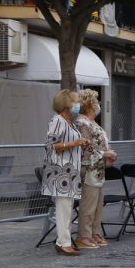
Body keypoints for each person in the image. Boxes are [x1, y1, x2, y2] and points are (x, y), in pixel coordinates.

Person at [41, 90, 88, 256]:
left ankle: (65, 241)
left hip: (69, 171)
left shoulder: (71, 123)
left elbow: (67, 144)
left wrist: (80, 143)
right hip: (61, 172)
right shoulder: (57, 120)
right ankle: (63, 242)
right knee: (63, 208)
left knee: (67, 207)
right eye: (75, 102)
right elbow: (51, 145)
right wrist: (74, 142)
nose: (78, 105)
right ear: (67, 104)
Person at [73, 89, 117, 249]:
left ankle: (95, 232)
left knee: (98, 205)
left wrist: (109, 153)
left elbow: (99, 143)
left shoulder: (93, 123)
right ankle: (83, 236)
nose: (98, 104)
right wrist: (106, 153)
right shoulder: (81, 123)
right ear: (89, 105)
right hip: (88, 169)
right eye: (95, 102)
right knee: (88, 205)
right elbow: (86, 148)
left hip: (98, 169)